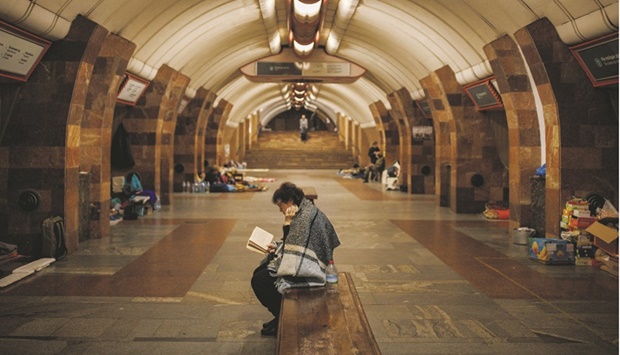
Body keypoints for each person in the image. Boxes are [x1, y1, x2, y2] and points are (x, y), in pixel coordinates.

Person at [251, 182, 341, 336]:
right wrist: (278, 246)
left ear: (291, 201)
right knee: (261, 271)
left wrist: (287, 223)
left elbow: (294, 253)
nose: (280, 210)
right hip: (308, 260)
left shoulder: (303, 218)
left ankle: (283, 318)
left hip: (310, 270)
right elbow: (294, 244)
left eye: (281, 205)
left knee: (260, 280)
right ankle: (279, 315)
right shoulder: (304, 210)